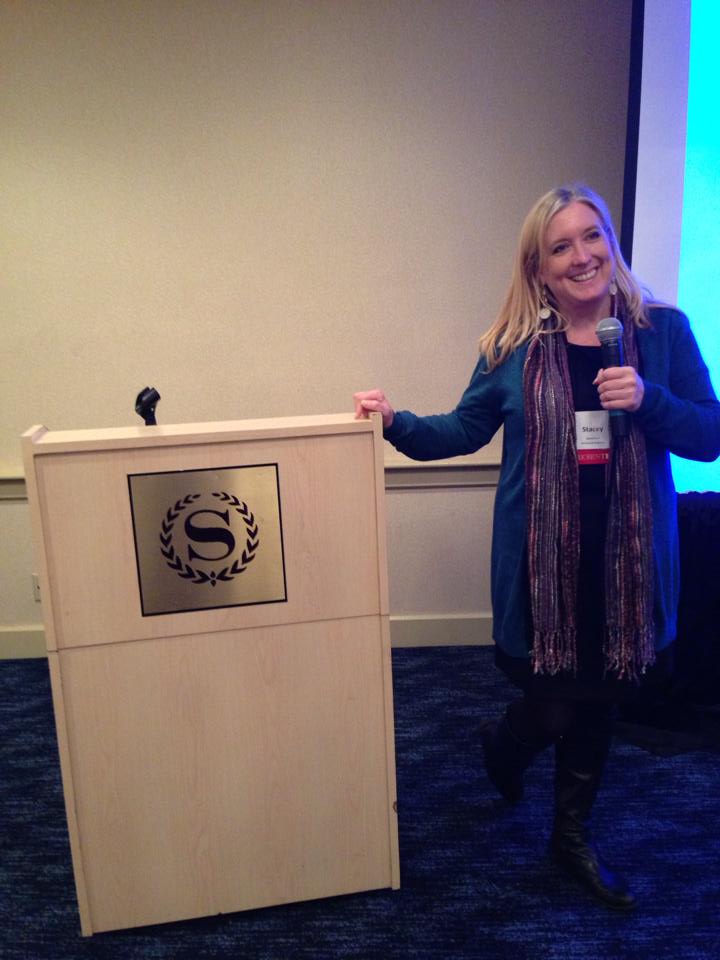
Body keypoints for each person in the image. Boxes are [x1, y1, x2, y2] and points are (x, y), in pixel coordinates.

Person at [353, 183, 720, 912]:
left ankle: (569, 837)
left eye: (592, 236)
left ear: (610, 243)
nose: (581, 256)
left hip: (628, 565)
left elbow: (708, 435)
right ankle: (505, 743)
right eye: (560, 247)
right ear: (539, 269)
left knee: (600, 701)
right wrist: (396, 422)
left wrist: (648, 398)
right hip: (541, 570)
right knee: (552, 708)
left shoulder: (663, 333)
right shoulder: (513, 349)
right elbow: (461, 431)